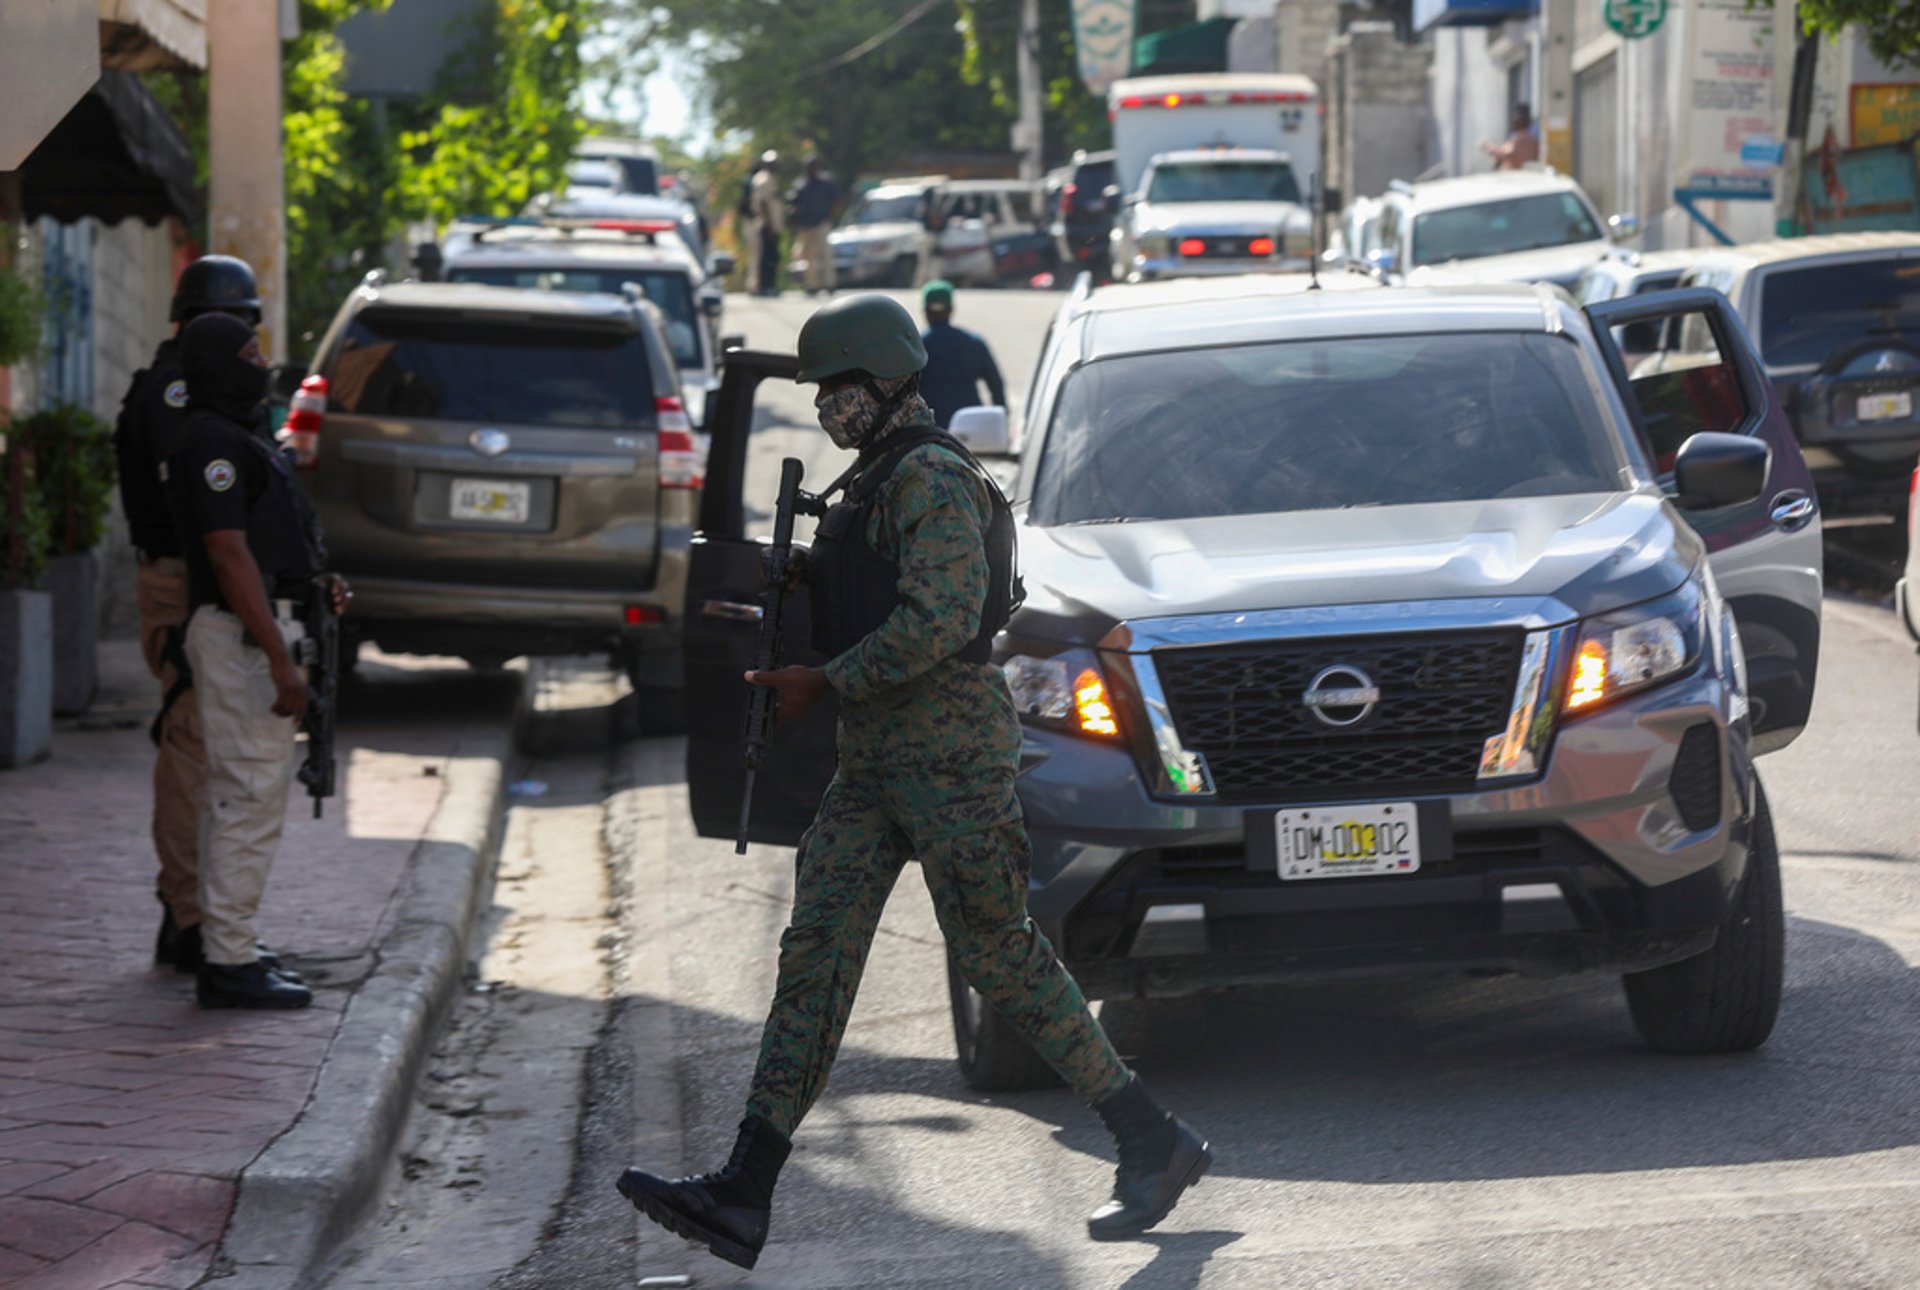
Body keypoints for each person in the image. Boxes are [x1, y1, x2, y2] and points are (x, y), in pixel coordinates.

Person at [615, 294, 1209, 1270]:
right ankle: (745, 1190)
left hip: (949, 760)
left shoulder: (931, 477)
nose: (824, 408)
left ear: (887, 382)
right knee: (816, 953)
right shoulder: (877, 480)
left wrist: (827, 677)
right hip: (874, 765)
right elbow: (886, 588)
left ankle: (1152, 1139)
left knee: (1001, 956)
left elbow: (943, 616)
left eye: (838, 389)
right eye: (821, 392)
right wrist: (817, 587)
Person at [166, 312, 348, 1010]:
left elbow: (273, 538)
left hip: (265, 628)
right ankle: (229, 961)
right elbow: (227, 553)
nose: (261, 361)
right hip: (243, 637)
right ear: (216, 363)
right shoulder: (210, 439)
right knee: (248, 795)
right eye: (247, 352)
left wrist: (319, 581)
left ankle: (230, 940)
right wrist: (277, 656)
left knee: (243, 796)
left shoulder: (241, 433)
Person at [113, 255, 266, 974]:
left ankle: (195, 912)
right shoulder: (178, 389)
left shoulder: (192, 384)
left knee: (205, 750)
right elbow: (204, 502)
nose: (252, 353)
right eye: (244, 332)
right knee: (190, 748)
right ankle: (187, 917)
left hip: (201, 576)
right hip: (183, 579)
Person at [917, 279, 1006, 428]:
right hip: (971, 430)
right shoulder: (973, 342)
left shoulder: (917, 347)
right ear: (951, 310)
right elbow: (996, 384)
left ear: (925, 311)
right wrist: (1001, 424)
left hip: (930, 432)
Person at [786, 156, 842, 296]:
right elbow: (793, 203)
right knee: (808, 257)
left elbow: (837, 200)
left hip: (821, 223)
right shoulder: (800, 183)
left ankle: (830, 284)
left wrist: (831, 218)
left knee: (825, 254)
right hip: (805, 225)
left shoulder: (826, 181)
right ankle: (812, 285)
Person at [749, 149, 785, 297]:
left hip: (772, 225)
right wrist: (769, 225)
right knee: (766, 258)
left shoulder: (771, 178)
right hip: (766, 225)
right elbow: (762, 203)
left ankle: (769, 285)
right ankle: (765, 286)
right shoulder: (762, 178)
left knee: (773, 257)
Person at [1483, 102, 1540, 171]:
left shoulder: (1521, 137)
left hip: (1515, 176)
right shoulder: (1530, 138)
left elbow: (1507, 154)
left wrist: (1491, 148)